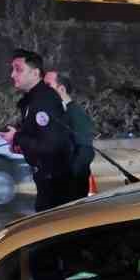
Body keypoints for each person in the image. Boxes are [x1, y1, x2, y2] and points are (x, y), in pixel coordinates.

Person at [3, 50, 71, 212]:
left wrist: (17, 137)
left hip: (56, 182)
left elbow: (51, 145)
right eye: (12, 69)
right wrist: (19, 145)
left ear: (35, 73)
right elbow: (41, 139)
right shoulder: (32, 99)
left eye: (18, 69)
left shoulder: (44, 100)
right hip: (46, 178)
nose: (12, 74)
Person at [45, 70, 96, 205]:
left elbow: (86, 152)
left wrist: (68, 177)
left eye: (47, 86)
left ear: (61, 89)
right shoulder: (59, 114)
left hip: (71, 191)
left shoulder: (76, 114)